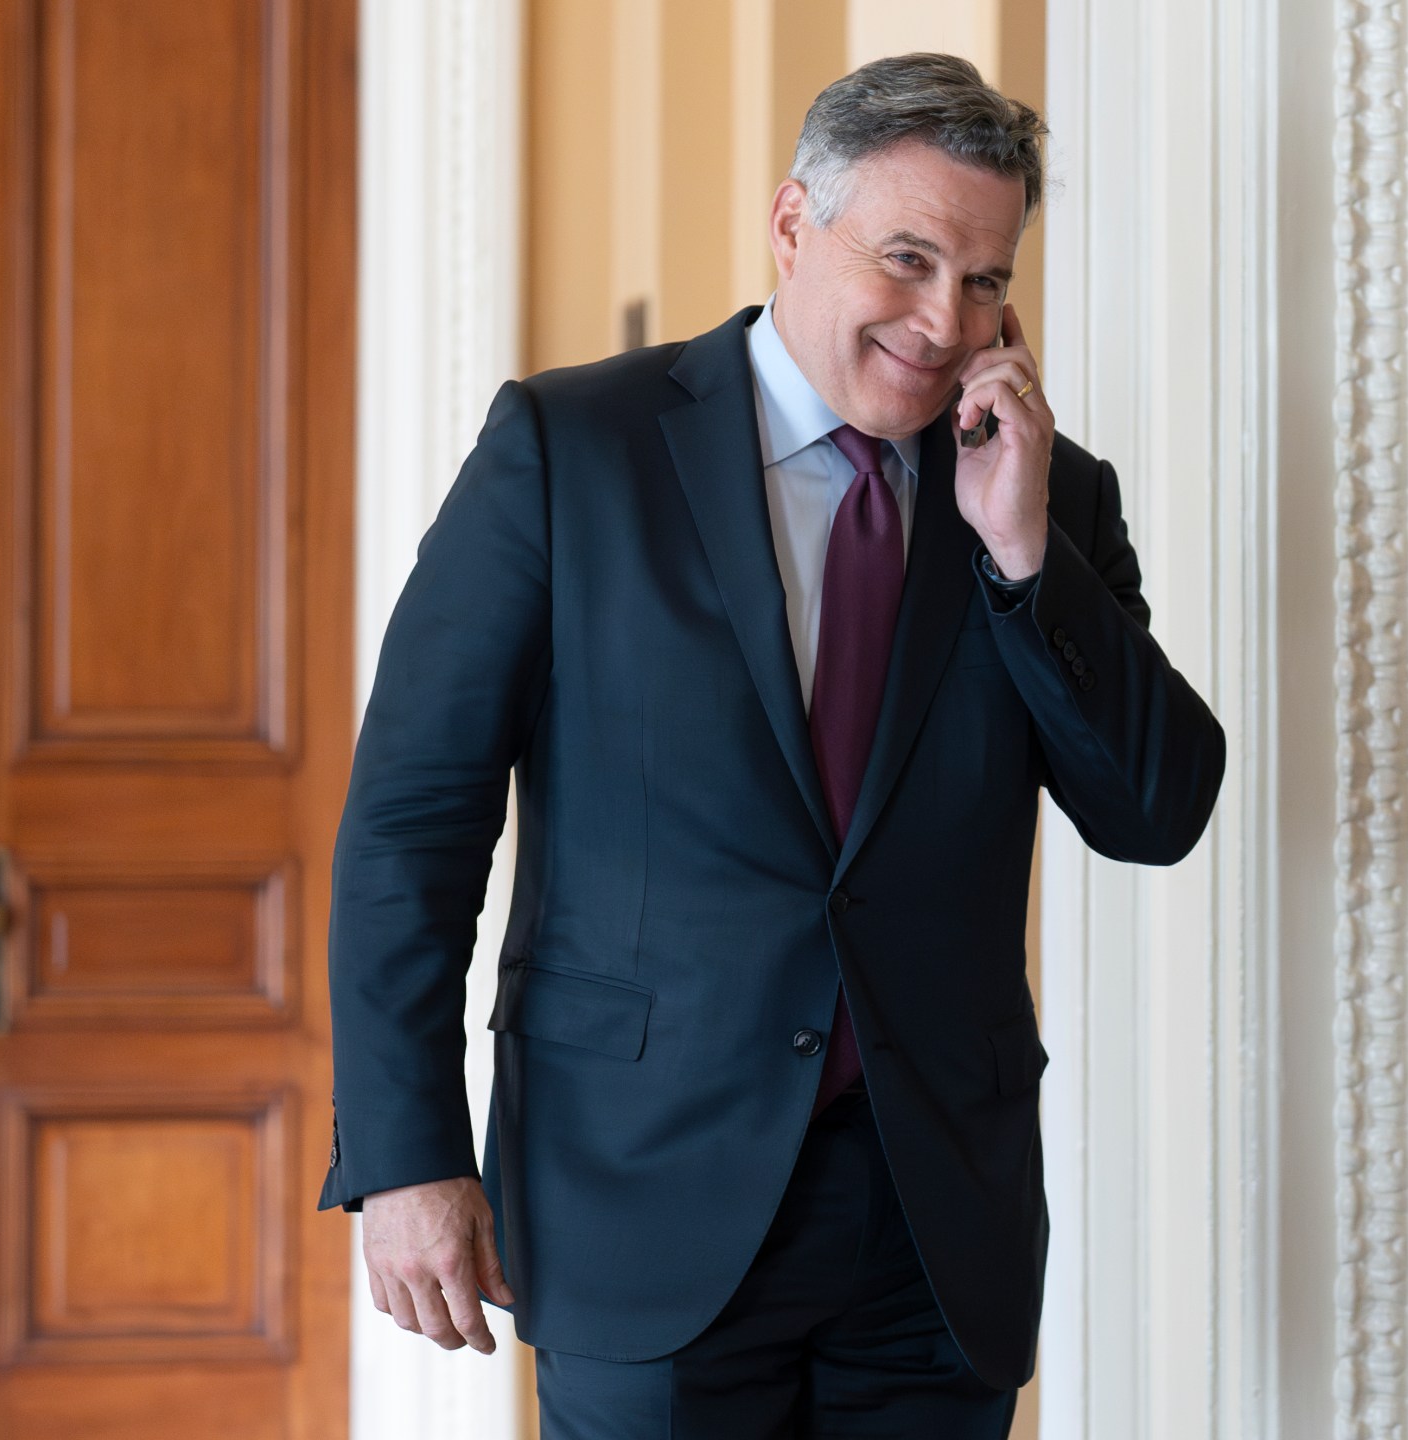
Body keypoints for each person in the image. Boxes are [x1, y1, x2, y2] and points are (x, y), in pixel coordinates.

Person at [319, 52, 1226, 1437]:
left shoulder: (1042, 493)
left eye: (984, 280)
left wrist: (1026, 558)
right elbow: (411, 822)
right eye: (909, 259)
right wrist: (407, 1159)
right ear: (794, 224)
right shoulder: (573, 452)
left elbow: (1156, 809)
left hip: (933, 1233)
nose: (943, 320)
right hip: (639, 1195)